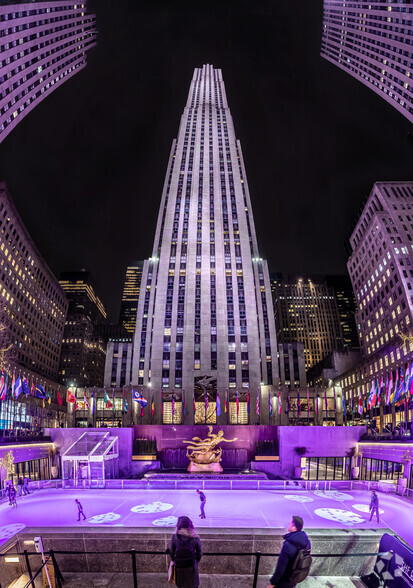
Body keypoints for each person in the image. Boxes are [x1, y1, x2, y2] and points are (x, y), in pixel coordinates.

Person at [268, 516, 311, 588]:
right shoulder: (307, 542)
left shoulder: (288, 545)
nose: (288, 524)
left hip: (284, 581)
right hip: (295, 578)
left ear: (294, 527)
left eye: (290, 523)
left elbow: (280, 568)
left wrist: (273, 582)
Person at [169, 516, 202, 588]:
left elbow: (171, 552)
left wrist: (175, 560)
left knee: (181, 585)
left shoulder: (175, 537)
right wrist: (194, 561)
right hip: (192, 567)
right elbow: (200, 553)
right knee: (193, 585)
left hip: (179, 567)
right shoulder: (195, 537)